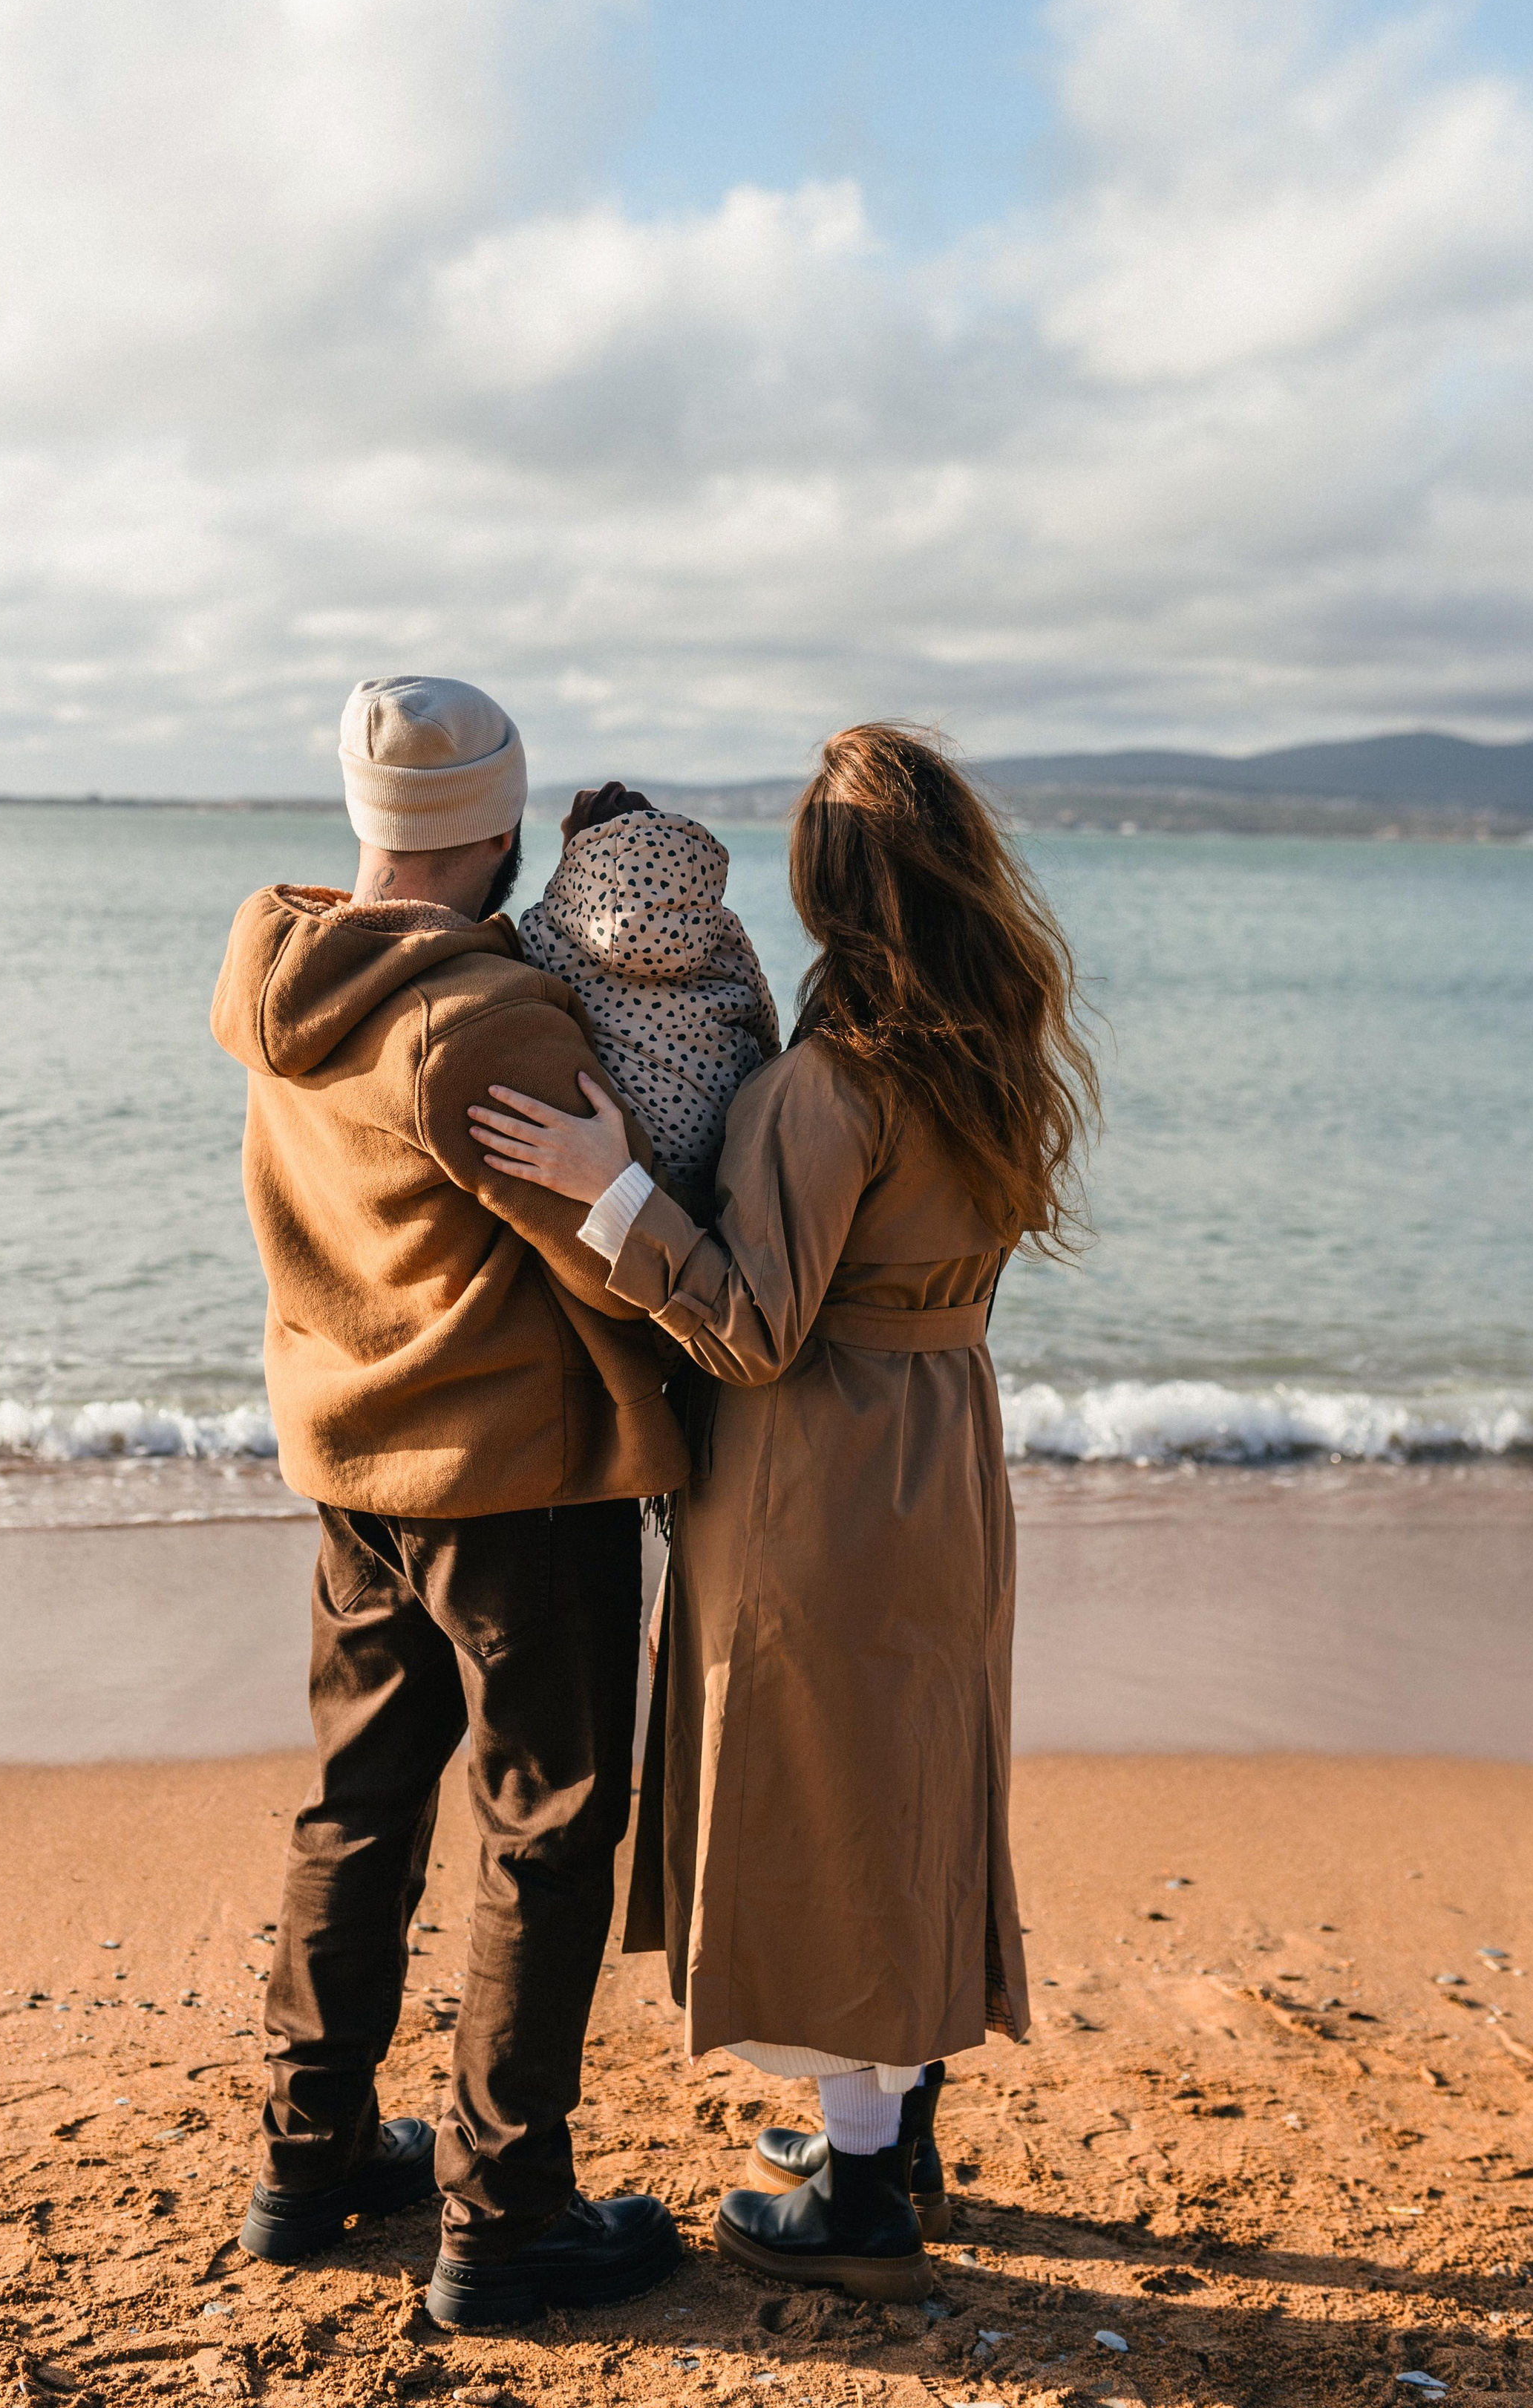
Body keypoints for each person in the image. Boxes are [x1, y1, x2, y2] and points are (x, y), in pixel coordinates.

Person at [469, 722, 1097, 2303]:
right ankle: (888, 2132)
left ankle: (863, 2189)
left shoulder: (835, 1084)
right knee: (910, 1773)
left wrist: (612, 1189)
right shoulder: (995, 1048)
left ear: (822, 892)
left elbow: (751, 1327)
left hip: (821, 1473)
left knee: (822, 1797)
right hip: (945, 1444)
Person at [209, 673, 687, 2330]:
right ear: (495, 832)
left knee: (355, 1809)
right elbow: (615, 1272)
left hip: (350, 1462)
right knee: (547, 1832)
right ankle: (506, 2221)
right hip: (517, 1490)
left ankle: (307, 2160)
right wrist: (641, 1165)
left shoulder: (287, 973)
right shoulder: (488, 1020)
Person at [517, 787, 780, 1218]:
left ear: (579, 860)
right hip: (728, 1148)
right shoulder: (722, 929)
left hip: (624, 1153)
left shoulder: (545, 928)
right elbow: (767, 1032)